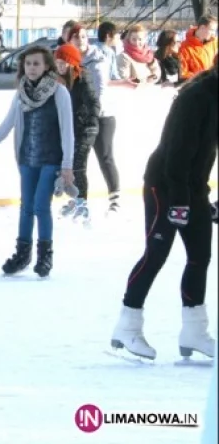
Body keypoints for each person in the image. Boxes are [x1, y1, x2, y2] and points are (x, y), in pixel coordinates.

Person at [110, 56, 217, 361]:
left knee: (200, 256)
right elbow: (177, 149)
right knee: (156, 254)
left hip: (193, 185)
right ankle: (127, 326)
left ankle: (194, 331)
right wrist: (180, 200)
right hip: (166, 183)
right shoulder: (195, 98)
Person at [0, 46, 74, 278]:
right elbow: (6, 126)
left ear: (46, 67)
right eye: (28, 63)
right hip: (27, 159)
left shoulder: (59, 92)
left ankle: (45, 255)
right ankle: (22, 254)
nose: (32, 68)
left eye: (37, 63)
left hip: (51, 159)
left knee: (40, 207)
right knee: (26, 207)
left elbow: (67, 131)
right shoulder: (21, 93)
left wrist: (67, 164)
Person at [76, 21, 128, 216]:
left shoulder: (98, 58)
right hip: (82, 117)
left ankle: (115, 200)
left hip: (103, 115)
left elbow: (100, 89)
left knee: (105, 156)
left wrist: (93, 114)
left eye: (83, 36)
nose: (80, 40)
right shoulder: (70, 59)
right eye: (76, 37)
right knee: (79, 160)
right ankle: (80, 201)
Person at [54, 40, 100, 224]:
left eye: (63, 63)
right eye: (57, 63)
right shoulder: (58, 80)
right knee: (68, 168)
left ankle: (82, 206)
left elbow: (94, 103)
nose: (60, 66)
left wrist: (89, 122)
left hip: (85, 130)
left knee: (79, 168)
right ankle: (76, 201)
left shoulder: (83, 78)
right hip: (70, 131)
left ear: (73, 63)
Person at [178, 15, 218, 81]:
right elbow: (183, 73)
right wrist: (201, 77)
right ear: (202, 27)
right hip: (196, 86)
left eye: (215, 31)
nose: (214, 34)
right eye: (212, 30)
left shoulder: (215, 43)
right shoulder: (184, 48)